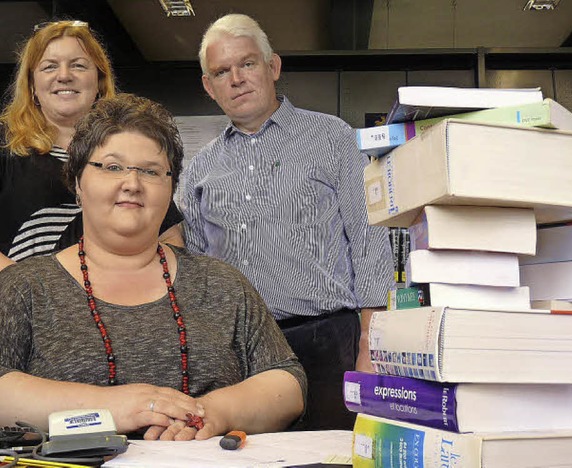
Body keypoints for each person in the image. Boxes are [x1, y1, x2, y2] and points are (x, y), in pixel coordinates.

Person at [0, 93, 306, 440]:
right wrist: (112, 406)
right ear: (78, 184)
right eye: (112, 166)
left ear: (171, 188)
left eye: (151, 171)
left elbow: (287, 381)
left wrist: (212, 413)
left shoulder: (222, 284)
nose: (132, 183)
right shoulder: (23, 287)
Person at [181, 13, 394, 430]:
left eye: (247, 64)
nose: (236, 79)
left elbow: (369, 242)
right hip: (241, 353)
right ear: (209, 86)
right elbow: (196, 274)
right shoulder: (198, 171)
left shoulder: (331, 137)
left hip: (330, 343)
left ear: (272, 67)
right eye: (221, 72)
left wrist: (372, 345)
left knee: (331, 456)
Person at [0, 20, 183, 271]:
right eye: (49, 67)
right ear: (31, 85)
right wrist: (25, 288)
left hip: (115, 304)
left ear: (99, 81)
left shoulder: (132, 148)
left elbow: (170, 237)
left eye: (78, 65)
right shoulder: (5, 144)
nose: (64, 76)